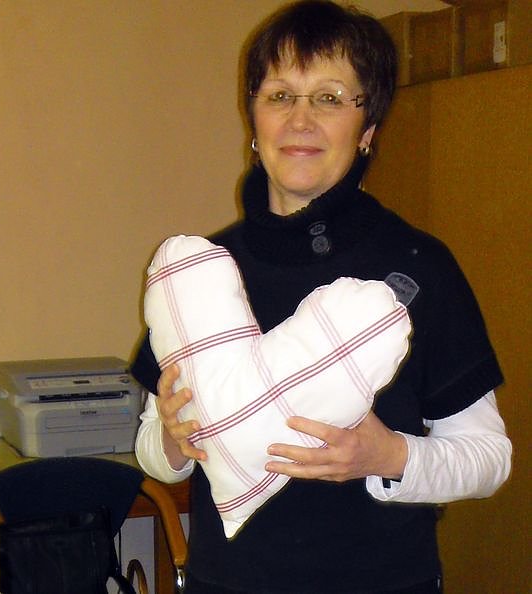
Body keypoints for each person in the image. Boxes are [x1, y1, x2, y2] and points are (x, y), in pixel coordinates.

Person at [129, 1, 512, 593]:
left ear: (368, 130)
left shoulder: (419, 267)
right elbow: (152, 448)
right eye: (280, 95)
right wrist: (173, 444)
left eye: (330, 98)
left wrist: (388, 458)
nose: (300, 120)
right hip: (224, 583)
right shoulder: (197, 274)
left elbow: (489, 459)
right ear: (253, 118)